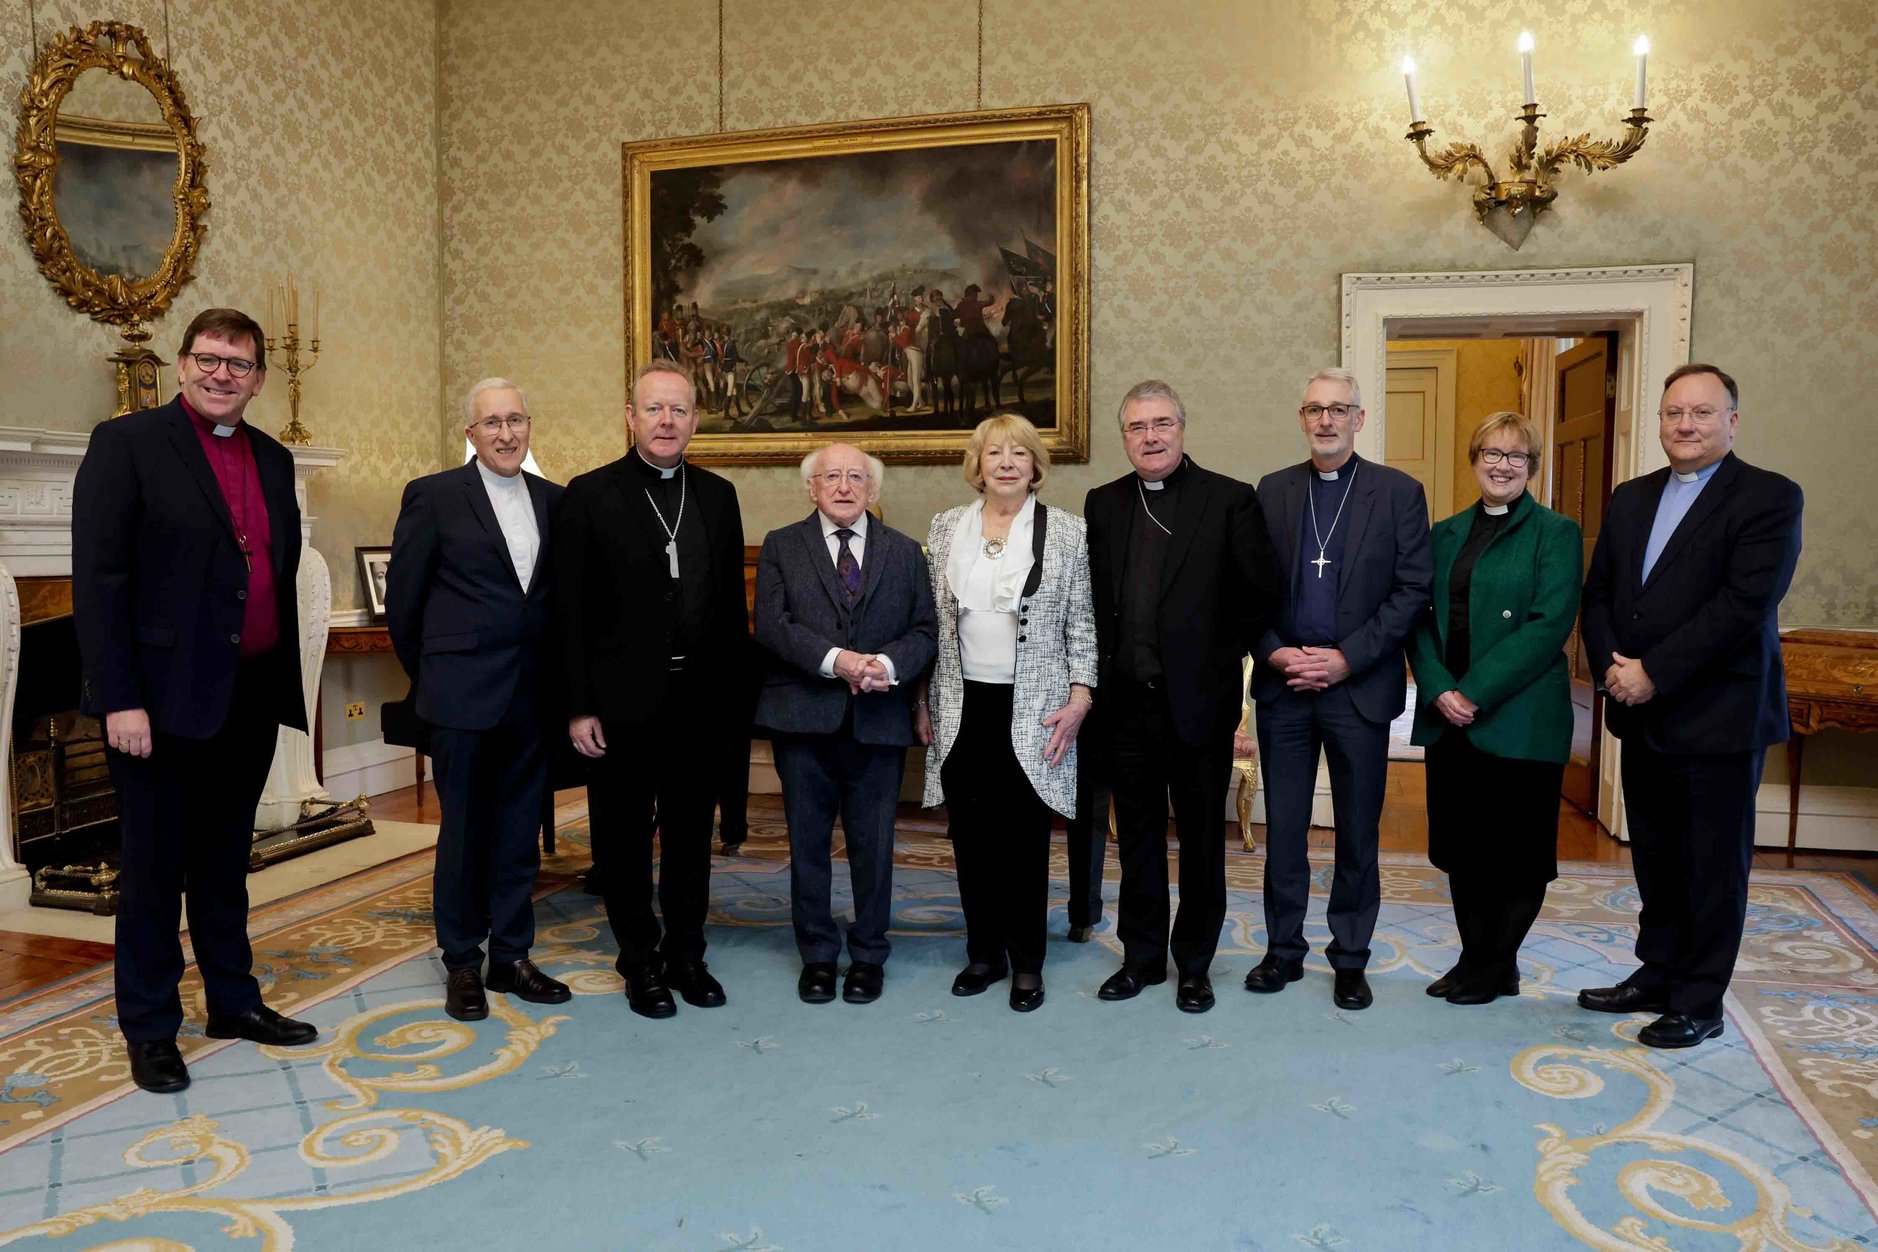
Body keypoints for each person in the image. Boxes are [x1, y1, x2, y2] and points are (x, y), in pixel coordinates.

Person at [72, 307, 319, 1094]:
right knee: (153, 872)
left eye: (238, 364)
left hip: (245, 697)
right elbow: (100, 582)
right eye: (208, 359)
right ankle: (149, 1028)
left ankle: (233, 1003)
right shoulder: (128, 445)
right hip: (157, 706)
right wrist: (119, 700)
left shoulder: (275, 460)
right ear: (182, 365)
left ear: (259, 379)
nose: (222, 375)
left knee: (223, 865)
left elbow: (267, 570)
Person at [1576, 363, 1803, 1049]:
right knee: (1655, 855)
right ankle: (1657, 973)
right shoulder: (1631, 496)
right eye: (1675, 413)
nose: (1686, 425)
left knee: (1710, 864)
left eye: (1703, 413)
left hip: (1720, 716)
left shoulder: (1768, 498)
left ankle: (1700, 1000)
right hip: (1640, 711)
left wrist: (1654, 672)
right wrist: (1617, 669)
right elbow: (1602, 593)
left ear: (1732, 422)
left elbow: (1742, 606)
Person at [555, 360, 752, 1019]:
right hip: (620, 704)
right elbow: (571, 612)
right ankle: (639, 959)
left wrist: (733, 700)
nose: (667, 421)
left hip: (698, 701)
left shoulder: (718, 496)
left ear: (696, 421)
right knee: (623, 840)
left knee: (693, 837)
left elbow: (730, 611)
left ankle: (687, 956)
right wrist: (578, 705)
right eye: (654, 409)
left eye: (679, 410)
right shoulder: (589, 495)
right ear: (631, 418)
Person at [1083, 380, 1281, 1013]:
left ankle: (1194, 964)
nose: (1151, 437)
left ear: (1182, 429)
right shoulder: (1103, 503)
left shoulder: (1229, 499)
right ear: (1125, 438)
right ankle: (1141, 959)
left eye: (1162, 424)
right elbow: (1092, 600)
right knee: (1136, 837)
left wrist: (1222, 664)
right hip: (1126, 707)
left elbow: (1260, 595)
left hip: (1198, 704)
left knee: (1200, 841)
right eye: (1138, 427)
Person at [1246, 367, 1432, 1011]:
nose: (1326, 420)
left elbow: (1413, 591)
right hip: (1286, 689)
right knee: (1287, 829)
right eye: (1314, 410)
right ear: (1301, 419)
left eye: (1339, 410)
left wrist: (1346, 660)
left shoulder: (1399, 492)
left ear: (1359, 419)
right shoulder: (1270, 492)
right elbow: (1246, 589)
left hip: (1358, 690)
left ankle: (1350, 956)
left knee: (1356, 832)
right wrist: (1275, 654)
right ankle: (1282, 951)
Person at [387, 377, 572, 1023]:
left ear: (529, 426)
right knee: (464, 835)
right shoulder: (433, 496)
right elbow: (404, 607)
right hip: (459, 695)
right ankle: (462, 961)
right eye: (491, 422)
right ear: (470, 433)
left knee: (520, 833)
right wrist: (435, 676)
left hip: (531, 696)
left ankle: (512, 957)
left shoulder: (555, 500)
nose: (505, 433)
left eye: (515, 420)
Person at [917, 414, 1096, 1011]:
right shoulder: (945, 528)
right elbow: (931, 623)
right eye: (995, 452)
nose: (1007, 462)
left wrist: (1081, 696)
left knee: (1024, 841)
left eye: (1019, 452)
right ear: (978, 464)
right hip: (961, 704)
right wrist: (921, 698)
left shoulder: (1067, 532)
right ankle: (984, 954)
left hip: (1036, 710)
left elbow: (1084, 623)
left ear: (1035, 464)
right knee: (970, 838)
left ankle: (1027, 963)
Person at [1405, 412, 1582, 1006]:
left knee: (1516, 857)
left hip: (1519, 720)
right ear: (1474, 459)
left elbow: (1547, 626)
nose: (1503, 464)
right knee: (1463, 851)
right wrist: (1438, 689)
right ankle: (1477, 959)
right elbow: (1420, 622)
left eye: (1516, 456)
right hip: (1449, 719)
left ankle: (1494, 964)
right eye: (1491, 453)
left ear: (1532, 467)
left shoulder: (1555, 534)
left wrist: (1472, 691)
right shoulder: (1444, 534)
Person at [753, 444, 937, 1005]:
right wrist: (841, 661)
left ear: (873, 491)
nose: (843, 485)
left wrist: (884, 665)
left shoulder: (906, 553)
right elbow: (773, 626)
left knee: (874, 846)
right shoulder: (782, 546)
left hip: (878, 721)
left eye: (856, 477)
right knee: (807, 845)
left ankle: (868, 956)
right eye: (830, 476)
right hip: (803, 720)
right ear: (811, 488)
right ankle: (816, 956)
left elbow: (926, 630)